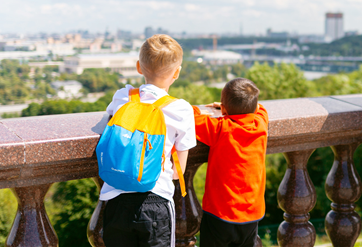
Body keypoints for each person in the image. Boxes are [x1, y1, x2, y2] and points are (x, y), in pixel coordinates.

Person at [99, 34, 196, 247]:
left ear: (138, 67)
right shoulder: (181, 109)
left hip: (116, 197)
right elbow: (182, 158)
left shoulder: (122, 97)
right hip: (156, 198)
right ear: (177, 73)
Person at [193, 78, 268, 247]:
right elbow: (260, 108)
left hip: (220, 214)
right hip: (251, 214)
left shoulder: (219, 128)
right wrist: (230, 106)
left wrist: (205, 109)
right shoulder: (261, 124)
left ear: (224, 109)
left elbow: (188, 117)